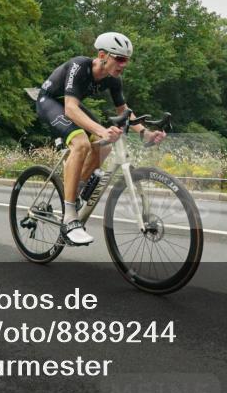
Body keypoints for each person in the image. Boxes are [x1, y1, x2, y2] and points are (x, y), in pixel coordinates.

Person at [36, 32, 165, 246]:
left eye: (127, 60)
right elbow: (70, 108)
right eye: (120, 59)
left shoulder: (113, 79)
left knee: (104, 144)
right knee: (81, 143)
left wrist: (145, 133)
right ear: (103, 55)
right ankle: (69, 217)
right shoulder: (79, 66)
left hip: (70, 104)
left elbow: (124, 111)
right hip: (50, 101)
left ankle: (74, 188)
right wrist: (103, 130)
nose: (124, 65)